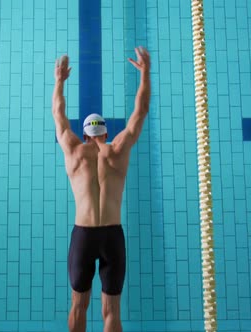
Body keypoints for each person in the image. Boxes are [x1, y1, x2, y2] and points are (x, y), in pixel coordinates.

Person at [51, 46, 151, 332]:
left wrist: (59, 81)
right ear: (106, 133)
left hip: (83, 235)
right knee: (111, 311)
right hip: (112, 234)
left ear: (83, 134)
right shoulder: (118, 149)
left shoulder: (73, 151)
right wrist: (145, 73)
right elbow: (140, 111)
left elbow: (58, 115)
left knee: (79, 305)